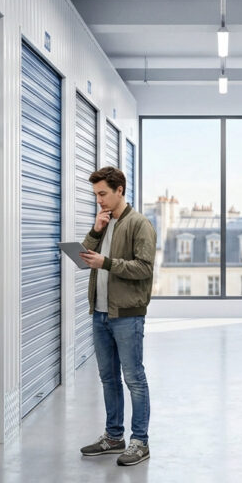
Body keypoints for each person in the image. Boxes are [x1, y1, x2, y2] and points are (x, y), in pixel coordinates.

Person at [78, 166, 156, 466]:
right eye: (96, 195)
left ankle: (140, 442)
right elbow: (85, 259)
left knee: (134, 378)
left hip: (127, 315)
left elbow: (144, 268)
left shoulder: (139, 224)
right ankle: (113, 437)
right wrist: (95, 231)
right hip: (100, 313)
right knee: (108, 378)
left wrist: (107, 262)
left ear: (119, 190)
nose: (99, 200)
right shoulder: (104, 222)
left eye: (103, 194)